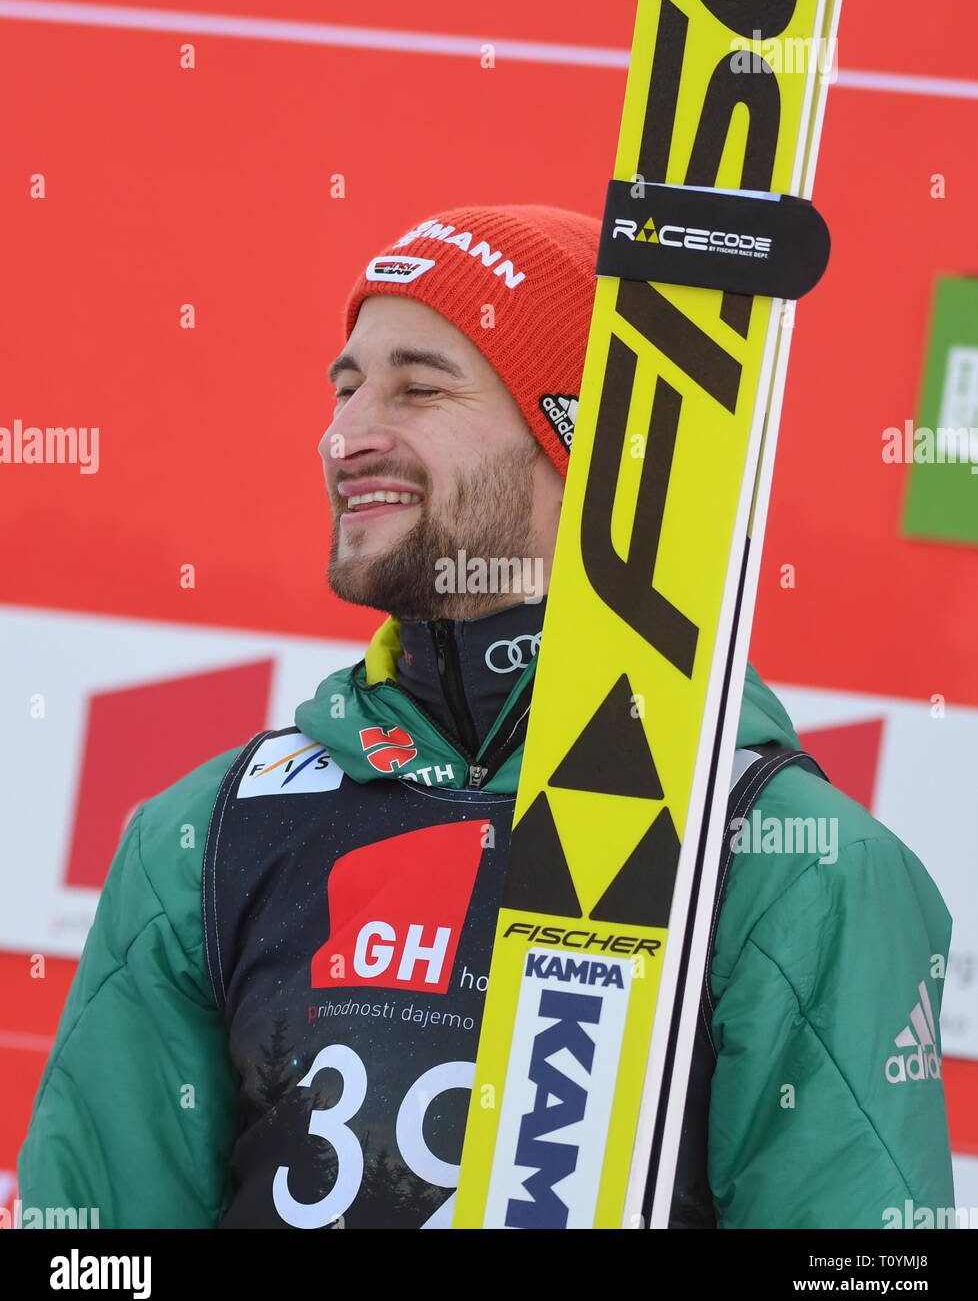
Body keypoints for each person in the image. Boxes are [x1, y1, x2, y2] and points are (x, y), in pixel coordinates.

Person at [18, 205, 954, 1229]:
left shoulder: (788, 864)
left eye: (419, 388)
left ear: (582, 442)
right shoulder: (208, 833)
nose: (346, 435)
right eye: (346, 387)